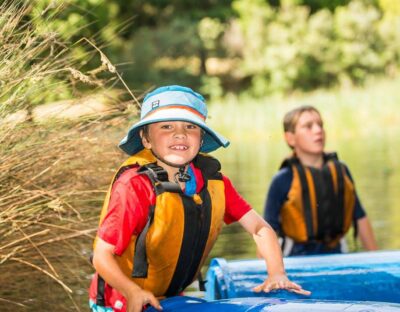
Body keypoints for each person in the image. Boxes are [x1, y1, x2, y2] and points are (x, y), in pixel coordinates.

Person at [89, 86, 310, 312]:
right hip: (120, 300)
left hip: (171, 297)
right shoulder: (133, 187)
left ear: (201, 138)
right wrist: (133, 291)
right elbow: (101, 255)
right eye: (166, 126)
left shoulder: (216, 184)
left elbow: (259, 227)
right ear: (146, 138)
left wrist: (276, 273)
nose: (180, 134)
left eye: (190, 126)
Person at [263, 105, 378, 256]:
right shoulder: (282, 179)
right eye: (308, 126)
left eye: (320, 125)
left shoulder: (342, 171)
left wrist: (377, 258)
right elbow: (266, 231)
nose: (318, 130)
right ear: (290, 138)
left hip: (338, 254)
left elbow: (360, 218)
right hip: (296, 257)